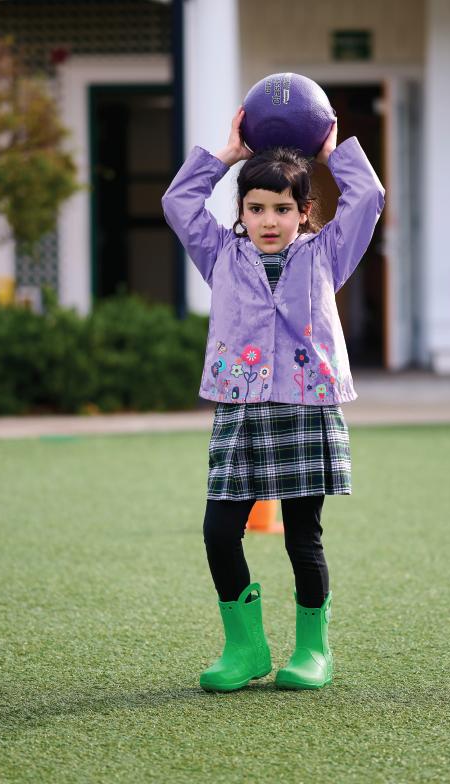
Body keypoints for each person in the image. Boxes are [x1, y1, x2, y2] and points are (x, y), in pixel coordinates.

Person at [161, 107, 385, 692]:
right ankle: (246, 647)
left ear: (305, 211)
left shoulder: (326, 253)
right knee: (218, 532)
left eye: (283, 209)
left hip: (305, 410)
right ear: (240, 211)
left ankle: (313, 650)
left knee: (302, 538)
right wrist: (226, 156)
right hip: (241, 411)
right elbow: (179, 203)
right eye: (256, 208)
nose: (268, 220)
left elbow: (368, 198)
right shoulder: (220, 255)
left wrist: (333, 153)